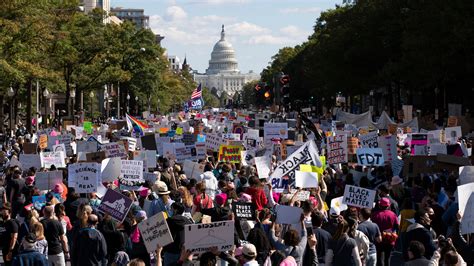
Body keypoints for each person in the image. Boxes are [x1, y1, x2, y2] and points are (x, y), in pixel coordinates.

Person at [371, 197, 398, 266]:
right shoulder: (393, 214)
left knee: (379, 257)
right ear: (388, 205)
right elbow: (397, 226)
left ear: (380, 205)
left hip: (378, 239)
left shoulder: (374, 215)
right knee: (388, 258)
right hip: (390, 239)